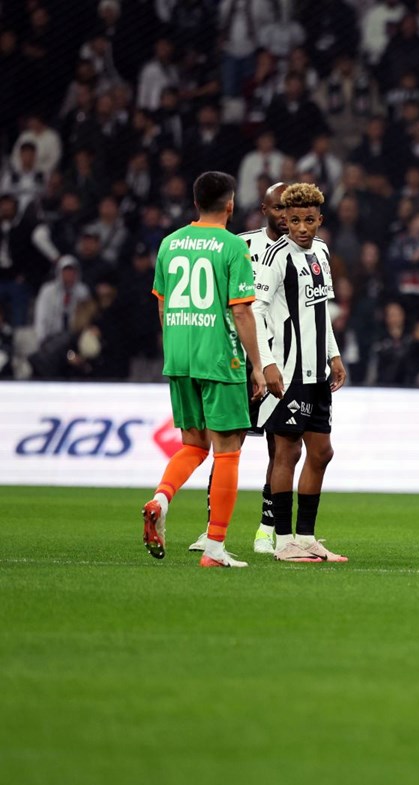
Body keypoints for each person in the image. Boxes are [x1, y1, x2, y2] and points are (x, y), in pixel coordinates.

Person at [141, 171, 267, 568]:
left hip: (180, 356)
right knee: (227, 451)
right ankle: (214, 547)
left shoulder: (169, 243)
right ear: (230, 204)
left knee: (193, 445)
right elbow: (241, 310)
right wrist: (257, 366)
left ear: (195, 203)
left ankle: (160, 500)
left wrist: (178, 348)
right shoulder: (233, 246)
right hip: (219, 358)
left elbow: (162, 304)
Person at [189, 181, 290, 556]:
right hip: (242, 359)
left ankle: (267, 528)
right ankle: (212, 530)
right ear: (264, 210)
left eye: (289, 208)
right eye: (278, 208)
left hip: (286, 360)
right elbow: (228, 302)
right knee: (228, 444)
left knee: (281, 447)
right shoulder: (240, 245)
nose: (285, 215)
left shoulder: (307, 250)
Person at [253, 183, 349, 562]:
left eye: (309, 220)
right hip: (288, 371)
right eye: (294, 220)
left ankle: (306, 538)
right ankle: (282, 541)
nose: (302, 228)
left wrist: (334, 355)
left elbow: (320, 309)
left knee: (321, 452)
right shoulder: (276, 256)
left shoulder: (322, 252)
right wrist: (266, 363)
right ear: (286, 220)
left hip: (317, 373)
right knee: (287, 452)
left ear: (319, 220)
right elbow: (256, 310)